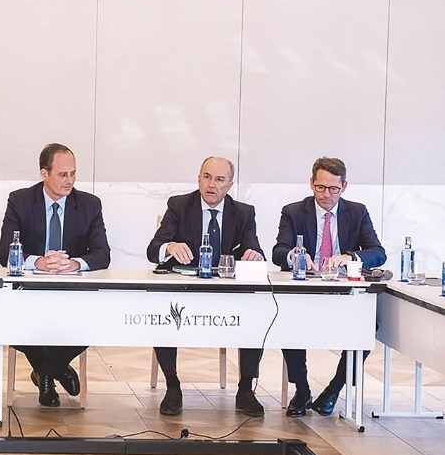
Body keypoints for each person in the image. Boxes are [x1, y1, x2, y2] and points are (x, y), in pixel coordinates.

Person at [146, 156, 266, 417]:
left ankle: (246, 389)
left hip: (227, 293)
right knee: (162, 311)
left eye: (220, 179)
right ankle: (173, 385)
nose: (212, 185)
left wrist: (253, 254)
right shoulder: (179, 205)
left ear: (230, 184)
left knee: (255, 312)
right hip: (186, 289)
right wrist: (170, 246)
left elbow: (254, 249)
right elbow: (153, 248)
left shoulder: (244, 212)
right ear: (199, 178)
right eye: (207, 177)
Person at [0, 143, 110, 407]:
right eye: (62, 174)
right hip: (30, 290)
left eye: (73, 173)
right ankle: (57, 370)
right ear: (44, 173)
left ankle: (45, 373)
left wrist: (75, 263)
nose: (69, 181)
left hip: (72, 291)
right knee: (12, 321)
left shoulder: (89, 204)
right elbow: (5, 252)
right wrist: (39, 263)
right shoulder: (20, 200)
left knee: (93, 320)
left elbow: (102, 253)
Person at [272, 156, 386, 417]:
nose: (326, 194)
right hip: (305, 293)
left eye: (333, 188)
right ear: (311, 183)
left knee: (368, 326)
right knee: (287, 322)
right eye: (320, 188)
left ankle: (334, 389)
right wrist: (295, 256)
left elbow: (377, 252)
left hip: (343, 294)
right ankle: (302, 390)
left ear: (344, 186)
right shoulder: (293, 211)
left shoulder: (356, 212)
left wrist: (350, 257)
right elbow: (279, 251)